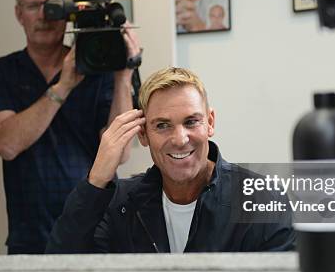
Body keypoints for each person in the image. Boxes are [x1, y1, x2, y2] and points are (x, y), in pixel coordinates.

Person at [0, 0, 140, 254]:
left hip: (98, 233)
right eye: (33, 6)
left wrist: (122, 76)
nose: (43, 16)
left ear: (71, 11)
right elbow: (7, 144)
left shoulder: (99, 70)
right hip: (31, 238)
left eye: (53, 5)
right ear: (18, 14)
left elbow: (122, 152)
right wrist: (63, 86)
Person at [46, 67, 294, 253]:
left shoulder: (263, 199)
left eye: (191, 122)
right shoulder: (121, 204)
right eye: (162, 125)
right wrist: (97, 178)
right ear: (143, 135)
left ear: (210, 123)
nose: (179, 139)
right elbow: (60, 263)